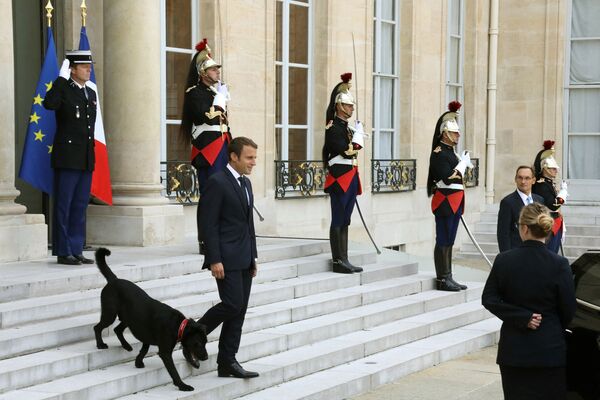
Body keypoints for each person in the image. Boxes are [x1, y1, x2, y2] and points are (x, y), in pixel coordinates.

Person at [482, 202, 576, 400]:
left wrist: (521, 316)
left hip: (514, 351)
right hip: (549, 350)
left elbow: (489, 299)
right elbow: (568, 310)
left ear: (524, 228)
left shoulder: (504, 260)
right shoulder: (560, 264)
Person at [197, 136, 259, 379]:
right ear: (233, 156)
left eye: (255, 157)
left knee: (239, 311)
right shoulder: (217, 182)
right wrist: (214, 258)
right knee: (232, 304)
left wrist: (253, 257)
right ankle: (193, 332)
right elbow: (207, 223)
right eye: (249, 157)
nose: (253, 162)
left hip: (244, 257)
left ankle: (227, 362)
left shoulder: (246, 183)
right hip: (225, 258)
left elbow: (248, 224)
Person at [43, 50, 96, 265]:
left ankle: (76, 248)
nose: (88, 69)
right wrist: (60, 80)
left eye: (88, 66)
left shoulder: (89, 93)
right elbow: (49, 104)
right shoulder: (63, 88)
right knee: (64, 205)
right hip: (67, 157)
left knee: (80, 204)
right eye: (83, 66)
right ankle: (63, 251)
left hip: (85, 157)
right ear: (72, 69)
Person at [180, 38, 232, 254]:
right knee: (210, 197)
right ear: (202, 72)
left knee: (223, 195)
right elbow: (205, 118)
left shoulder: (213, 92)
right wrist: (219, 101)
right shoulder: (195, 92)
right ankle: (206, 240)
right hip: (207, 152)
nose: (217, 72)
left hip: (221, 148)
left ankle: (220, 236)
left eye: (217, 69)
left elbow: (224, 125)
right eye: (213, 69)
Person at [322, 73, 364, 274]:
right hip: (340, 178)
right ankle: (338, 260)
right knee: (338, 219)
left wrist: (356, 137)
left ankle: (344, 257)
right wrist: (356, 141)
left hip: (350, 176)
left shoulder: (346, 128)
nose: (351, 108)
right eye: (348, 105)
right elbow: (343, 149)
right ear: (339, 105)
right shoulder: (333, 127)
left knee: (346, 220)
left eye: (352, 106)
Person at [426, 101, 471, 291]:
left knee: (450, 240)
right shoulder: (439, 153)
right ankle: (442, 278)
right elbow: (447, 176)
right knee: (443, 239)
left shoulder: (451, 153)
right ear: (445, 133)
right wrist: (462, 165)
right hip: (445, 200)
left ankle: (449, 275)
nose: (457, 135)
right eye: (454, 133)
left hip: (454, 200)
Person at [533, 140, 568, 253]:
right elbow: (553, 205)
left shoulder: (548, 183)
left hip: (555, 221)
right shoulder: (541, 185)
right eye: (553, 169)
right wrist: (563, 193)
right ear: (545, 169)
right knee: (550, 253)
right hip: (548, 223)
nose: (555, 171)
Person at [497, 166, 543, 252]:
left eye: (527, 178)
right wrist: (507, 257)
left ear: (533, 180)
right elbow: (503, 234)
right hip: (516, 253)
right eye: (520, 177)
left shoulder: (539, 200)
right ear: (515, 179)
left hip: (537, 252)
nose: (523, 181)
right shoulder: (507, 202)